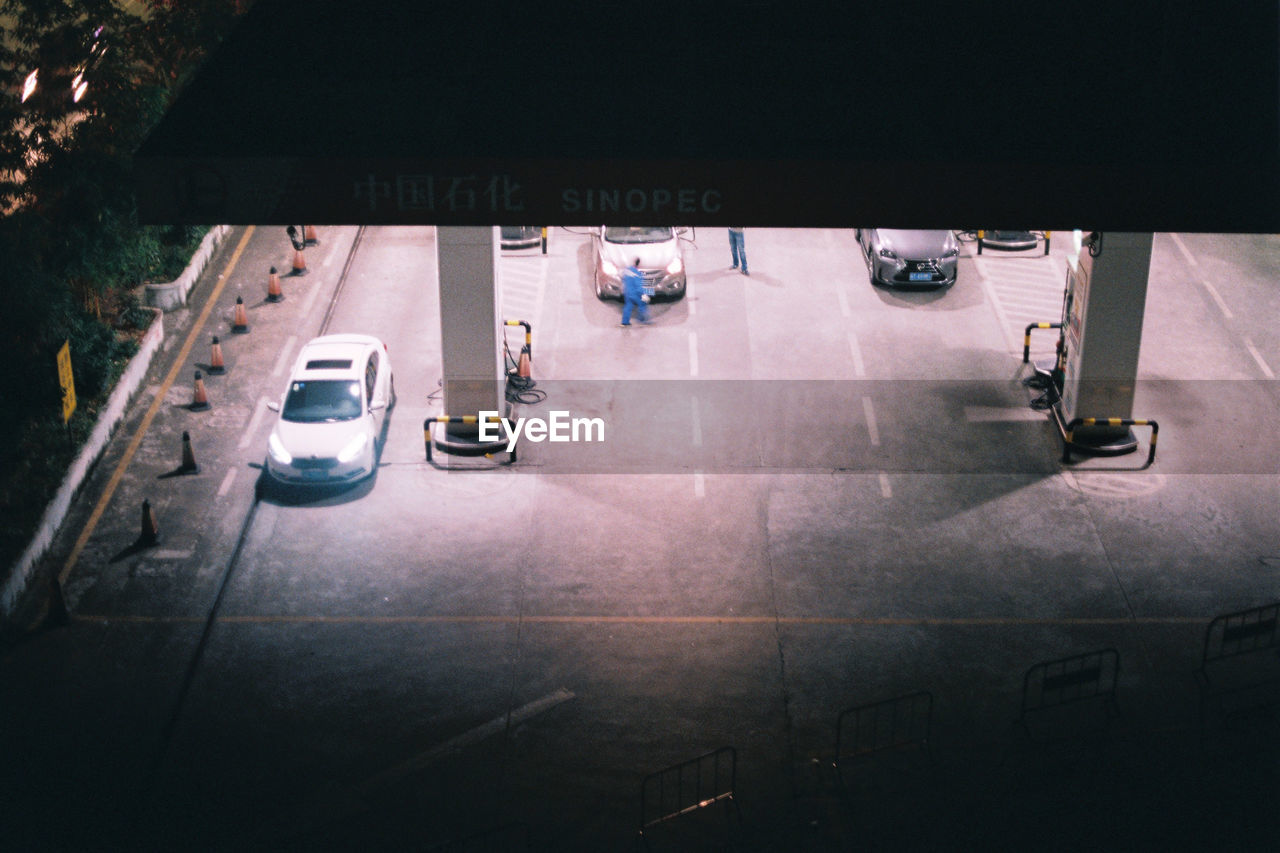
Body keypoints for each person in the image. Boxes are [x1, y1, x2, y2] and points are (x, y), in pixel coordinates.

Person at [620, 257, 651, 326]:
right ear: (639, 264)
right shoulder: (637, 274)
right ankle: (642, 320)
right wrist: (644, 295)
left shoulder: (627, 270)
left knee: (628, 307)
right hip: (635, 294)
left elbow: (623, 279)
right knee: (642, 304)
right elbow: (639, 286)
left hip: (627, 292)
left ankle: (625, 322)